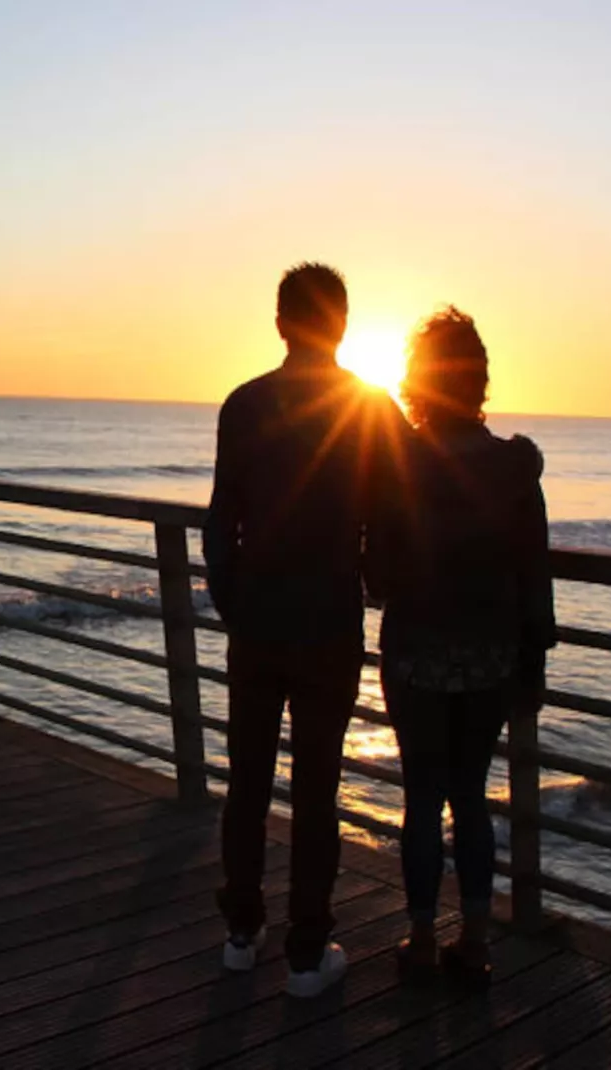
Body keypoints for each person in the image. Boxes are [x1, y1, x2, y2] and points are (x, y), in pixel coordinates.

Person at [204, 263, 408, 998]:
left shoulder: (244, 404)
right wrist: (378, 582)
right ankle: (305, 952)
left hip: (257, 620)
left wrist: (232, 600)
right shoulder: (369, 407)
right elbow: (394, 510)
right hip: (327, 622)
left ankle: (239, 931)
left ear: (281, 322)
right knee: (317, 790)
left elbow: (220, 518)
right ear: (342, 325)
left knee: (248, 782)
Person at [366, 307, 555, 985]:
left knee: (421, 797)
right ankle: (475, 942)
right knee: (470, 797)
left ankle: (420, 940)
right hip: (490, 658)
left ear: (420, 380)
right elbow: (535, 572)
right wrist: (534, 661)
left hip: (416, 652)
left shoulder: (401, 466)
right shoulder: (513, 470)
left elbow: (380, 578)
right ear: (479, 383)